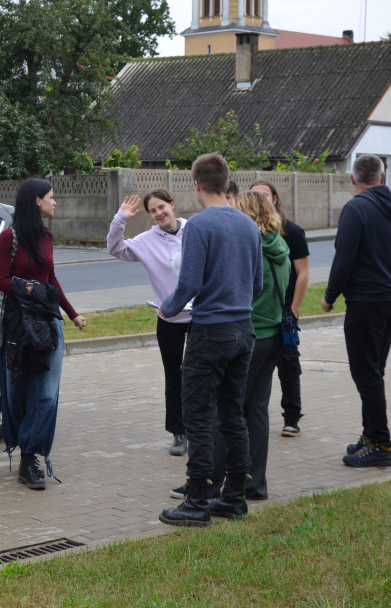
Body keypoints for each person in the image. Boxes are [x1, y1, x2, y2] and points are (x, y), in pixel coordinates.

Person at [158, 153, 263, 527]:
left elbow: (189, 284)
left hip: (209, 332)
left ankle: (198, 500)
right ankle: (234, 495)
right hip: (243, 330)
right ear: (227, 182)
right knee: (232, 414)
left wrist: (166, 309)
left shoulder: (199, 226)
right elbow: (258, 285)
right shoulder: (249, 225)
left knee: (198, 416)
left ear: (197, 185)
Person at [322, 154, 391, 468]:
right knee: (374, 373)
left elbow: (344, 258)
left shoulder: (355, 209)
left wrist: (330, 296)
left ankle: (382, 445)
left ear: (353, 179)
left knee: (367, 375)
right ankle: (370, 435)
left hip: (366, 303)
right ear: (383, 176)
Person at [0, 178, 87, 490]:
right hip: (19, 325)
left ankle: (30, 456)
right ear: (36, 201)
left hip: (48, 324)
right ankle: (26, 458)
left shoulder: (47, 237)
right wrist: (30, 288)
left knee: (45, 394)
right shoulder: (9, 237)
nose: (55, 202)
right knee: (19, 392)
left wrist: (72, 314)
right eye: (51, 197)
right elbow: (1, 280)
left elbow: (53, 280)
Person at [106, 189, 191, 456]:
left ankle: (205, 427)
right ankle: (179, 433)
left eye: (162, 207)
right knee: (174, 376)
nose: (158, 213)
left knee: (202, 374)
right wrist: (121, 218)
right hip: (169, 318)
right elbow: (115, 248)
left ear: (173, 205)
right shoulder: (146, 240)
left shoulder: (194, 230)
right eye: (153, 211)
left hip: (200, 316)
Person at [232, 192, 290, 501]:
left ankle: (236, 481)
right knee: (257, 410)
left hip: (252, 335)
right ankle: (256, 483)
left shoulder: (252, 249)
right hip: (275, 336)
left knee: (233, 409)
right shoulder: (280, 244)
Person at [249, 180, 310, 437]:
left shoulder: (291, 231)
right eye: (256, 196)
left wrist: (294, 309)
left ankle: (292, 416)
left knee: (288, 364)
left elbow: (303, 273)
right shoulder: (250, 233)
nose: (261, 199)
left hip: (284, 310)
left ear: (274, 199)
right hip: (261, 312)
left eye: (265, 195)